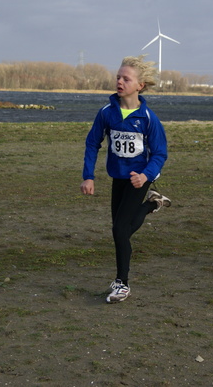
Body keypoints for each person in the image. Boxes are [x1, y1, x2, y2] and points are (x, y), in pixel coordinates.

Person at [80, 55, 170, 304]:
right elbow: (92, 143)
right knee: (121, 230)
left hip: (139, 179)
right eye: (118, 77)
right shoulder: (107, 113)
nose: (119, 81)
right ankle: (153, 204)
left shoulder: (149, 118)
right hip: (118, 178)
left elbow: (161, 152)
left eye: (126, 78)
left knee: (120, 230)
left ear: (140, 85)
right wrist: (88, 176)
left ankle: (122, 284)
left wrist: (146, 175)